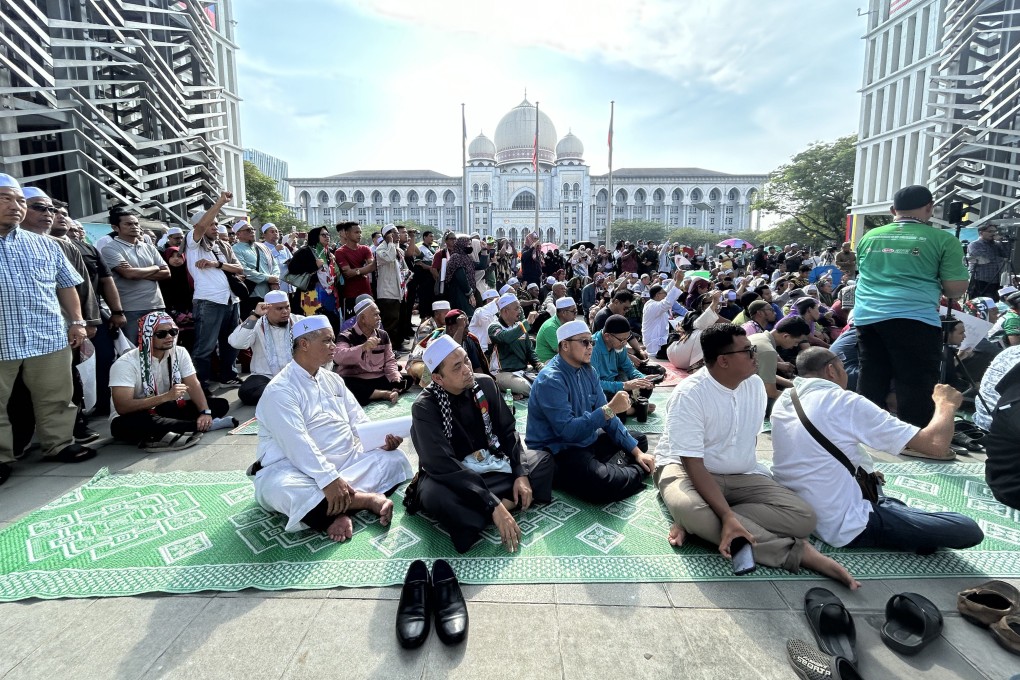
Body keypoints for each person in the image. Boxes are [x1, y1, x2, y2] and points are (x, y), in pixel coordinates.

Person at [654, 323, 859, 588]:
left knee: (804, 517)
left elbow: (747, 440)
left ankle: (702, 525)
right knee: (692, 509)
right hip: (685, 470)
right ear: (723, 361)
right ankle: (795, 553)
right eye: (748, 351)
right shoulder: (690, 394)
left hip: (741, 474)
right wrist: (727, 517)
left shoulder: (754, 386)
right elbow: (692, 463)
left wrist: (725, 514)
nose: (755, 356)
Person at [771, 348, 984, 553]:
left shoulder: (787, 399)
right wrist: (945, 405)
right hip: (844, 522)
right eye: (843, 368)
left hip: (801, 505)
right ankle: (902, 526)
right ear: (832, 370)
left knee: (879, 487)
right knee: (966, 527)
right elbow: (935, 445)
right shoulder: (842, 401)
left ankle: (902, 522)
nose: (845, 373)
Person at [251, 315, 413, 542]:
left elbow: (359, 422)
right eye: (327, 341)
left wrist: (380, 441)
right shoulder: (280, 389)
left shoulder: (333, 380)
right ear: (304, 344)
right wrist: (328, 479)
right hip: (295, 469)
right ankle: (365, 500)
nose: (334, 346)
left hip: (346, 461)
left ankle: (334, 509)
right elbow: (297, 443)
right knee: (285, 490)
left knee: (394, 459)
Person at [407, 335, 553, 553]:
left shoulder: (484, 383)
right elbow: (442, 463)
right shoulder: (425, 407)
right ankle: (502, 505)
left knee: (543, 460)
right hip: (454, 476)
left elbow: (507, 431)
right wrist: (491, 502)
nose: (467, 369)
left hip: (492, 462)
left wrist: (520, 473)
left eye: (466, 360)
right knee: (437, 496)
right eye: (457, 367)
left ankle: (488, 511)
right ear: (438, 378)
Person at [0, 174, 97, 485]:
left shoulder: (46, 244)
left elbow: (67, 286)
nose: (14, 206)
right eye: (6, 199)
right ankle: (2, 458)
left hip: (48, 335)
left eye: (18, 200)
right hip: (2, 340)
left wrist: (78, 322)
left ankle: (59, 445)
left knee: (57, 396)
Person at [854, 185, 970, 430]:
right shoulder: (943, 240)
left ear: (892, 210)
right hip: (914, 317)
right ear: (929, 208)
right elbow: (955, 290)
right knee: (915, 380)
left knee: (872, 374)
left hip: (868, 316)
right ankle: (915, 439)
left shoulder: (868, 237)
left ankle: (863, 432)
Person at [526, 320, 655, 504]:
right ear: (565, 345)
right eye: (584, 342)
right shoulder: (551, 379)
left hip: (586, 439)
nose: (590, 347)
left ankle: (612, 467)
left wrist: (637, 453)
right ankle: (630, 471)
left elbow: (609, 418)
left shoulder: (589, 371)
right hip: (560, 450)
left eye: (591, 342)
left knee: (638, 441)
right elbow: (568, 432)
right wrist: (610, 409)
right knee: (603, 483)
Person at [109, 312, 233, 449]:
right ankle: (199, 426)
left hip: (164, 408)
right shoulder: (126, 363)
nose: (169, 337)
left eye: (173, 332)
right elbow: (122, 407)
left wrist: (205, 413)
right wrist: (166, 397)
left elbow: (193, 384)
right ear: (147, 336)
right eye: (161, 334)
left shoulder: (179, 352)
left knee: (219, 404)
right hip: (131, 416)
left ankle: (182, 426)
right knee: (143, 422)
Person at [186, 192, 244, 390]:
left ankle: (228, 375)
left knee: (231, 342)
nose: (215, 227)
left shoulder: (223, 245)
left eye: (217, 223)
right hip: (209, 301)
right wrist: (220, 202)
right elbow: (202, 226)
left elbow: (239, 269)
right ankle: (199, 385)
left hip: (231, 300)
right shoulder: (193, 244)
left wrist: (216, 264)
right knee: (205, 346)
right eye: (211, 223)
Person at [228, 291, 305, 405]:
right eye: (279, 309)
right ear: (267, 309)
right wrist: (255, 315)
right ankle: (292, 395)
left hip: (298, 374)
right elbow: (236, 342)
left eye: (287, 307)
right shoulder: (256, 323)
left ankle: (284, 396)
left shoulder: (300, 322)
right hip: (266, 377)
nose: (285, 312)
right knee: (247, 392)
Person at [332, 297, 405, 405]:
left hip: (377, 378)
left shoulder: (383, 335)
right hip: (356, 379)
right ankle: (384, 394)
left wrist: (395, 379)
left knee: (405, 379)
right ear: (362, 319)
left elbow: (390, 360)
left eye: (379, 314)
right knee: (344, 385)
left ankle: (378, 393)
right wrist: (362, 348)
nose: (379, 318)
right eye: (375, 315)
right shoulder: (346, 336)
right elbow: (338, 357)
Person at [591, 315, 656, 416]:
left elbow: (629, 368)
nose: (625, 343)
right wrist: (624, 385)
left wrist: (643, 379)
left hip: (616, 383)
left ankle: (629, 407)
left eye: (626, 339)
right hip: (601, 389)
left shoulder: (619, 345)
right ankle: (633, 409)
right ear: (607, 336)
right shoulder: (592, 349)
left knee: (645, 386)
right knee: (609, 404)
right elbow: (594, 384)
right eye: (622, 340)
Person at [487, 294, 543, 397]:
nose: (520, 311)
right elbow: (506, 338)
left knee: (550, 373)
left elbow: (530, 351)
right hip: (501, 373)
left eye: (520, 308)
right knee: (525, 386)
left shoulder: (520, 326)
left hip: (522, 370)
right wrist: (527, 323)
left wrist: (539, 365)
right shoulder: (494, 327)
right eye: (516, 308)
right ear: (505, 311)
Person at [749, 316, 810, 403]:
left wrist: (793, 384)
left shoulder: (759, 336)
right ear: (786, 336)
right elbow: (770, 392)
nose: (796, 345)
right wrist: (803, 397)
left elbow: (764, 374)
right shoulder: (768, 351)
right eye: (796, 342)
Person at [232, 220, 280, 319]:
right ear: (238, 234)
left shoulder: (262, 247)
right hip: (251, 295)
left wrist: (274, 279)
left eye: (253, 229)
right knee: (252, 326)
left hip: (269, 294)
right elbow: (243, 270)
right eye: (248, 230)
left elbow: (274, 264)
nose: (252, 232)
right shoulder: (236, 249)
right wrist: (267, 278)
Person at [374, 223, 407, 345]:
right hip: (387, 292)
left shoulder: (397, 249)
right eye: (395, 233)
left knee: (397, 321)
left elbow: (402, 267)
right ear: (388, 235)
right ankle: (390, 349)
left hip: (398, 291)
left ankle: (396, 345)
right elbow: (389, 257)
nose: (398, 235)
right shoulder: (381, 249)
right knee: (390, 323)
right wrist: (391, 243)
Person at [405, 300, 451, 386]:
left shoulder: (444, 326)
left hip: (432, 360)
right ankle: (428, 392)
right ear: (437, 314)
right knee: (429, 370)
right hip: (418, 361)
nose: (448, 317)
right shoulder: (426, 328)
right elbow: (425, 353)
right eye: (446, 314)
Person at [334, 221, 375, 319]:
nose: (359, 235)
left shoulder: (365, 249)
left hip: (366, 292)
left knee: (369, 320)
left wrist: (356, 271)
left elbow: (373, 266)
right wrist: (364, 270)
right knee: (351, 323)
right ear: (347, 234)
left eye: (360, 232)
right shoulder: (340, 252)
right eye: (356, 232)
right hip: (350, 295)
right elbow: (348, 273)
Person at [642, 270, 684, 358]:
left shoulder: (656, 301)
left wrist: (675, 280)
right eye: (664, 294)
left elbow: (667, 291)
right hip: (655, 347)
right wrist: (679, 282)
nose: (666, 295)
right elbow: (667, 302)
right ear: (657, 295)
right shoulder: (652, 306)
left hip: (660, 341)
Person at [967, 225, 1010, 300]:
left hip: (996, 280)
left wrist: (1004, 243)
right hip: (980, 280)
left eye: (995, 231)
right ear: (981, 233)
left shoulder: (997, 244)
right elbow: (986, 258)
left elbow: (1006, 255)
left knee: (994, 304)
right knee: (980, 303)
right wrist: (1001, 259)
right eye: (990, 231)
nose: (993, 234)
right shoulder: (974, 244)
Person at [535, 297, 577, 363]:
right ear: (564, 313)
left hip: (558, 357)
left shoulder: (568, 322)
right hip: (547, 361)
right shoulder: (550, 327)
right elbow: (564, 352)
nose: (576, 314)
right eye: (573, 312)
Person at [468, 288, 500, 353]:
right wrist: (495, 302)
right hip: (479, 350)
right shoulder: (479, 311)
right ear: (488, 301)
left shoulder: (495, 316)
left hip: (491, 350)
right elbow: (482, 316)